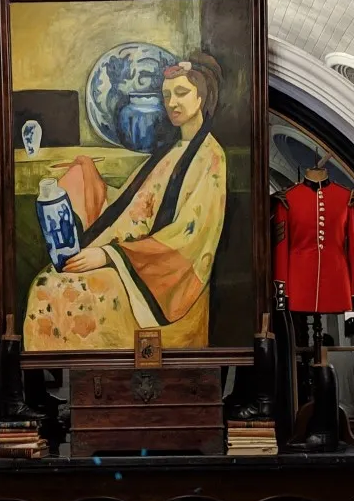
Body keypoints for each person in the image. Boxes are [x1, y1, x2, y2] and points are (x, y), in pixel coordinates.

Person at [24, 51, 227, 351]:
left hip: (161, 278)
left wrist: (108, 256)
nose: (172, 103)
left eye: (181, 93)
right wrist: (87, 176)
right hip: (130, 258)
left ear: (202, 97)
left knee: (53, 289)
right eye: (167, 95)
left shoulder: (211, 158)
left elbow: (190, 238)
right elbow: (133, 204)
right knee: (52, 278)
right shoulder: (173, 149)